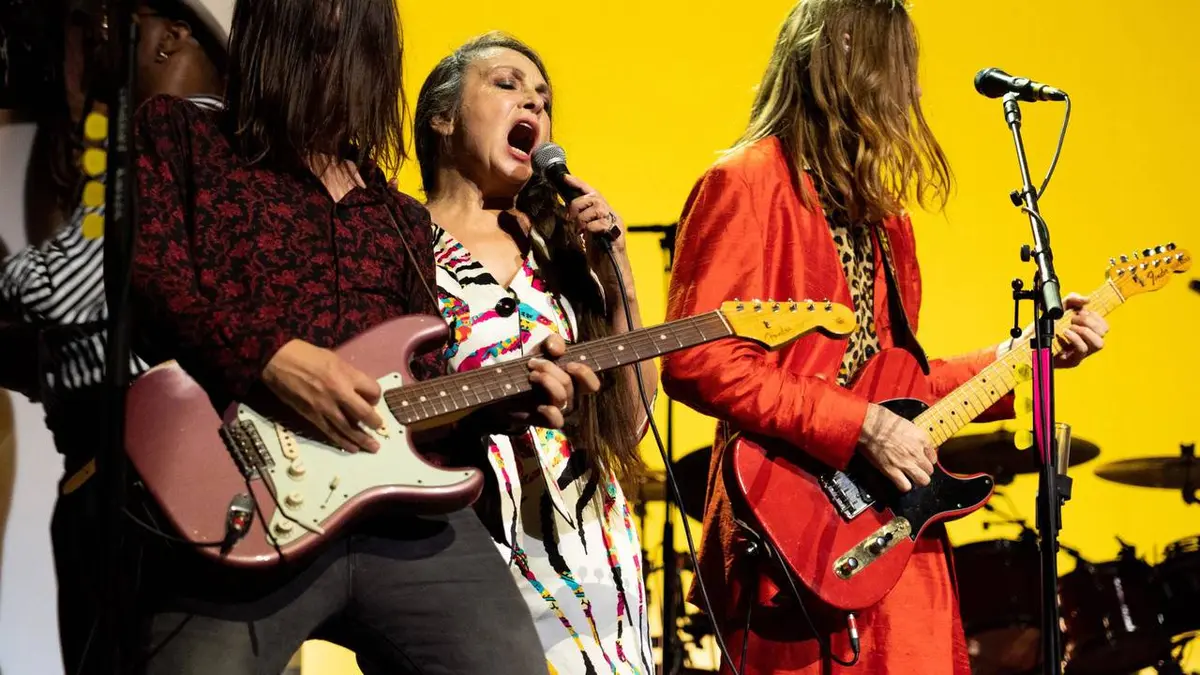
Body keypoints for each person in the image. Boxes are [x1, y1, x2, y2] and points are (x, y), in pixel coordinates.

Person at [127, 1, 600, 673]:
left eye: (356, 43)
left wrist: (504, 399)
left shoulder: (399, 217)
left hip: (401, 521)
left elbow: (422, 393)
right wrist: (267, 358)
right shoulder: (183, 135)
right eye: (319, 38)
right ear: (274, 37)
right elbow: (147, 277)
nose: (339, 63)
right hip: (237, 498)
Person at [659, 1, 1109, 674]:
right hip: (792, 539)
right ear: (843, 49)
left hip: (894, 534)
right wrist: (859, 425)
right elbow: (695, 358)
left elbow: (901, 389)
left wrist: (1026, 358)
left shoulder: (886, 222)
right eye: (902, 66)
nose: (916, 90)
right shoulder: (746, 183)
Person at [411, 32, 655, 674]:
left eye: (543, 99)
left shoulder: (561, 254)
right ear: (442, 116)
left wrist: (616, 263)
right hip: (458, 540)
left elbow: (631, 419)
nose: (534, 105)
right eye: (507, 84)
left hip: (588, 546)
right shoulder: (397, 242)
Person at [0, 2, 227, 673]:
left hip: (147, 489)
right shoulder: (191, 143)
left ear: (170, 37)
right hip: (134, 482)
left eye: (100, 35)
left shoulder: (174, 140)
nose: (91, 61)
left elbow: (69, 287)